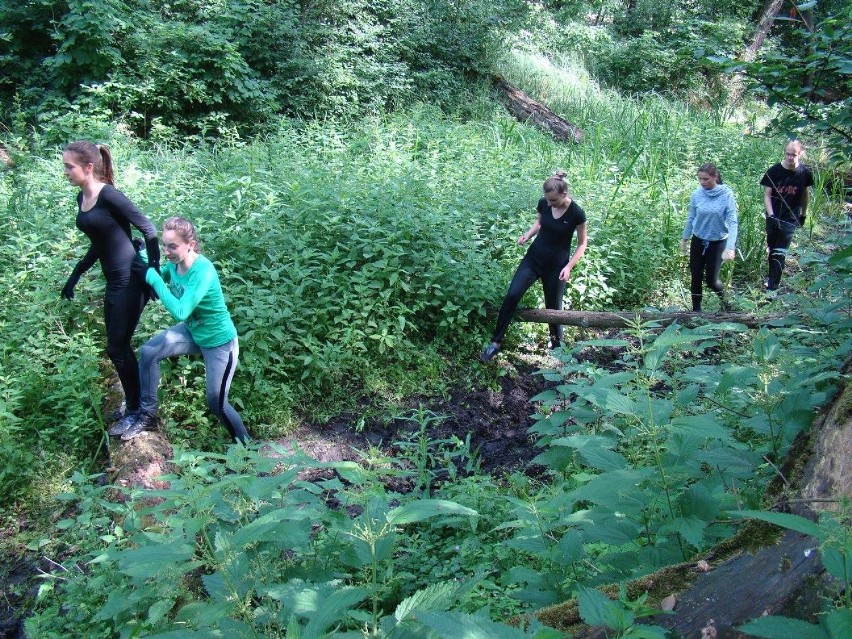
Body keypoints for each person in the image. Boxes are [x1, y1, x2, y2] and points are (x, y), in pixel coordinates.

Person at [113, 216, 249, 443]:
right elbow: (155, 269)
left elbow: (182, 311)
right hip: (193, 333)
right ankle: (147, 413)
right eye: (164, 245)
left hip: (219, 342)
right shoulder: (175, 264)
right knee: (149, 351)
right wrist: (139, 252)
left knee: (217, 404)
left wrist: (154, 280)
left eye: (172, 246)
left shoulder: (203, 270)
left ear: (191, 245)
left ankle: (248, 449)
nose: (167, 251)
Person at [60, 140, 160, 427]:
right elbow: (99, 243)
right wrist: (75, 275)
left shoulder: (110, 196)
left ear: (88, 167)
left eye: (70, 167)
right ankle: (135, 405)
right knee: (118, 347)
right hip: (114, 281)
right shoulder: (82, 199)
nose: (65, 172)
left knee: (117, 348)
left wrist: (152, 273)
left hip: (130, 280)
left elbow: (149, 229)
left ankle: (139, 413)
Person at [480, 170, 588, 362]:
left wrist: (569, 266)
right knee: (512, 294)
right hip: (534, 258)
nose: (548, 204)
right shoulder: (544, 203)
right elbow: (539, 222)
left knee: (553, 306)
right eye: (547, 200)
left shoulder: (576, 213)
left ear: (564, 195)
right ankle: (496, 342)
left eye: (553, 201)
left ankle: (556, 346)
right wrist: (527, 235)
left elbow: (582, 243)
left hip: (557, 266)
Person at [680, 163, 738, 312]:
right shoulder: (697, 194)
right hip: (698, 240)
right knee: (696, 276)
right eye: (700, 179)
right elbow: (691, 217)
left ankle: (727, 305)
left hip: (718, 242)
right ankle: (696, 312)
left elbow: (733, 222)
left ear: (715, 177)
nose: (702, 182)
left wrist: (730, 247)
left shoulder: (726, 195)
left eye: (705, 179)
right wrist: (684, 239)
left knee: (712, 280)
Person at [760, 140, 814, 291]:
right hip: (773, 216)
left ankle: (772, 287)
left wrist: (803, 214)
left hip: (790, 218)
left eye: (794, 155)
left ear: (800, 154)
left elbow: (804, 195)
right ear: (785, 153)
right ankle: (772, 277)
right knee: (772, 249)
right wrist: (771, 215)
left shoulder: (804, 173)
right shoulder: (774, 171)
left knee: (780, 252)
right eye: (788, 154)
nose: (790, 157)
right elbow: (767, 195)